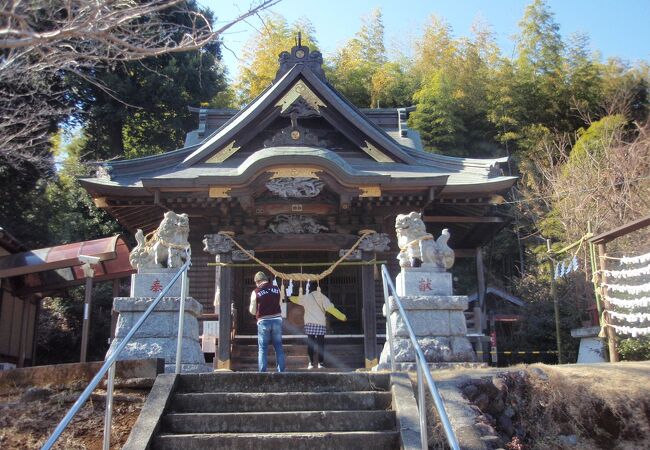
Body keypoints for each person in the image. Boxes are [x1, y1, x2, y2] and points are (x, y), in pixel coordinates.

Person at [290, 282, 347, 369]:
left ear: (310, 288)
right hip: (320, 323)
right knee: (320, 344)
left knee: (310, 344)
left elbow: (295, 299)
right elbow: (332, 310)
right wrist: (343, 317)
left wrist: (289, 296)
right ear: (319, 288)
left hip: (309, 324)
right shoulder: (323, 298)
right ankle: (321, 363)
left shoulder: (306, 297)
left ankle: (311, 363)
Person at [249, 271, 285, 372]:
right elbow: (280, 303)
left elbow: (252, 310)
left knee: (263, 348)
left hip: (263, 321)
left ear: (257, 281)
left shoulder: (256, 291)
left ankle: (262, 372)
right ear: (266, 280)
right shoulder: (276, 289)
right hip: (277, 319)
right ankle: (281, 371)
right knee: (278, 347)